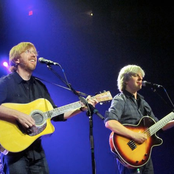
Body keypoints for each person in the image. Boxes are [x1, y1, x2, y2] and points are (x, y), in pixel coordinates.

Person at [0, 42, 98, 174]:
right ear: (16, 59)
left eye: (35, 52)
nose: (34, 55)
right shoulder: (6, 83)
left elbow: (57, 114)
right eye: (28, 51)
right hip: (13, 153)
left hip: (37, 152)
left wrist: (82, 107)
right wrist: (18, 115)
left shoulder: (40, 86)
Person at [104, 65, 174, 174]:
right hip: (129, 154)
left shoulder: (143, 103)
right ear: (126, 80)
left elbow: (158, 126)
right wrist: (134, 135)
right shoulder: (120, 99)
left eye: (141, 76)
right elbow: (110, 123)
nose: (140, 78)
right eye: (136, 75)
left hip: (145, 154)